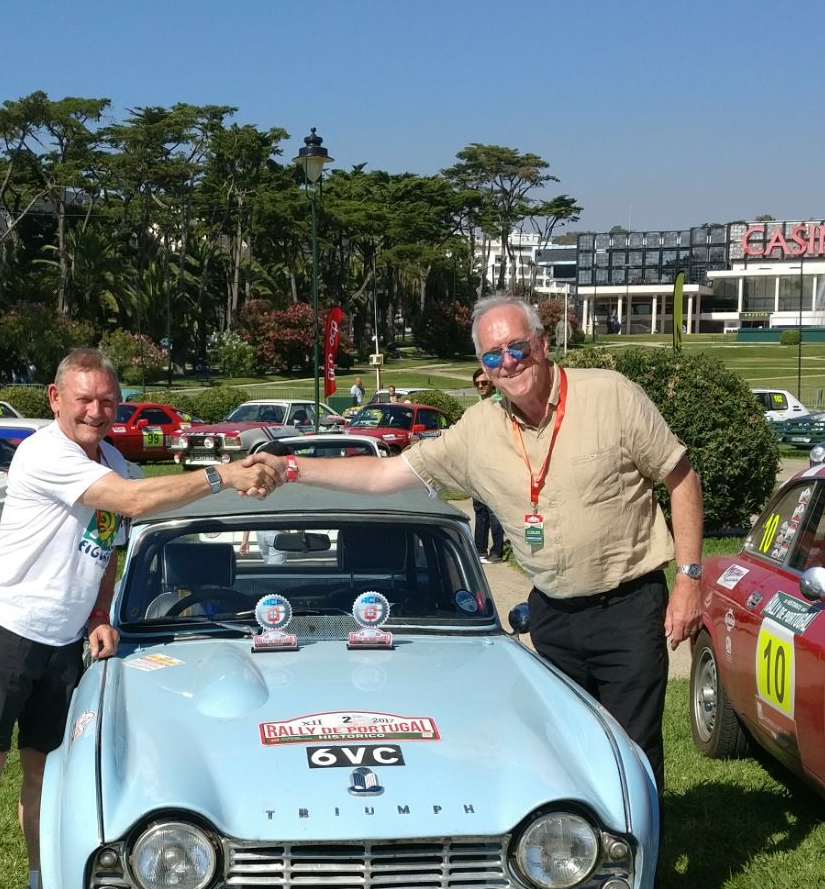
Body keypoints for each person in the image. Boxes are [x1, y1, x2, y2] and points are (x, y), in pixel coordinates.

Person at [247, 294, 704, 795]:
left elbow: (681, 477)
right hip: (550, 613)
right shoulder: (478, 430)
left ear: (543, 344)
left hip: (627, 607)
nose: (507, 362)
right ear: (482, 366)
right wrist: (292, 467)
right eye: (492, 355)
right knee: (560, 752)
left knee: (630, 751)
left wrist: (688, 579)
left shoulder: (610, 396)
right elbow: (384, 472)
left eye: (517, 347)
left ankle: (645, 868)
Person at [0, 346, 280, 889]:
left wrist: (100, 613)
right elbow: (129, 504)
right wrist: (222, 475)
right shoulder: (47, 454)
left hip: (66, 638)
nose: (96, 411)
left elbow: (108, 543)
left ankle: (42, 883)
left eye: (106, 400)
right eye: (83, 399)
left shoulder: (114, 458)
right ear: (55, 399)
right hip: (5, 626)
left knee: (43, 769)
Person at [469, 367, 507, 562]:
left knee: (494, 510)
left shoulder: (500, 404)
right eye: (477, 384)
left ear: (492, 383)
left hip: (496, 465)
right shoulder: (477, 407)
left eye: (484, 383)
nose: (481, 386)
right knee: (480, 510)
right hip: (478, 467)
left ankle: (497, 551)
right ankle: (479, 549)